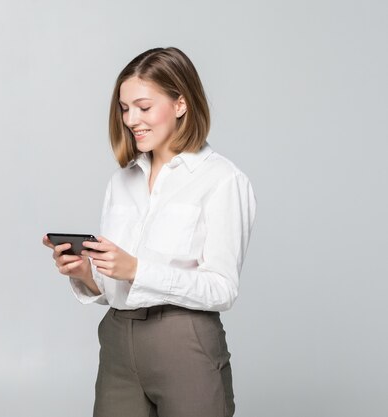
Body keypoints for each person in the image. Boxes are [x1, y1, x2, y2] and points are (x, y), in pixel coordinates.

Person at [42, 47, 257, 417]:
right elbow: (119, 286)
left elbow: (223, 289)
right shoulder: (122, 181)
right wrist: (87, 276)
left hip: (184, 342)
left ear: (180, 104)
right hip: (118, 344)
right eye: (125, 108)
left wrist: (137, 269)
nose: (131, 119)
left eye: (143, 106)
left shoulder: (221, 180)